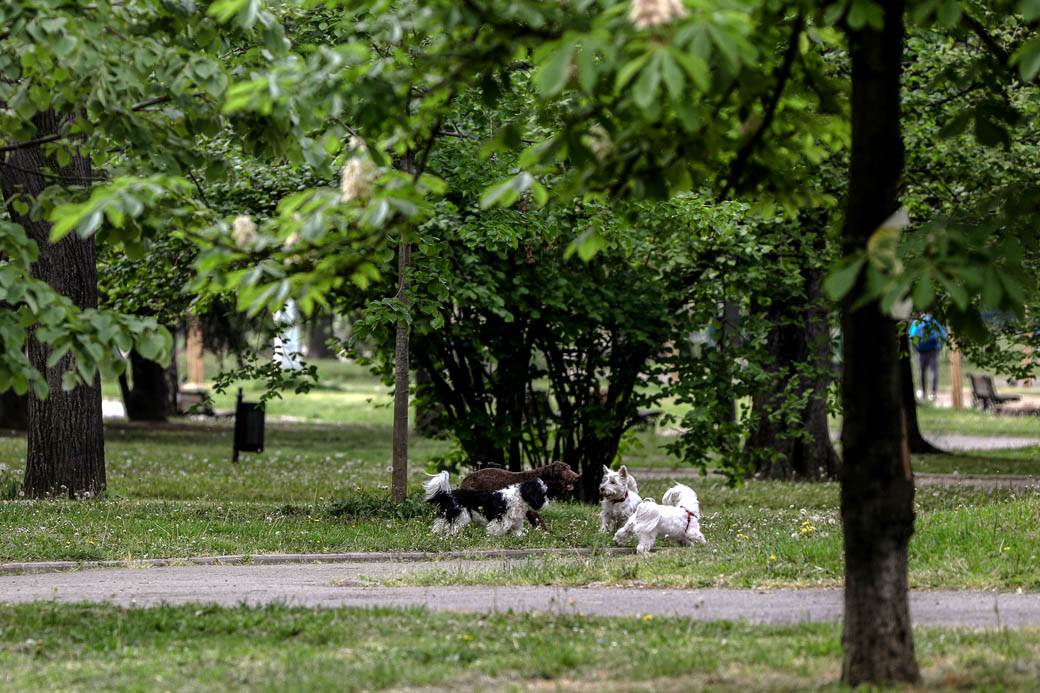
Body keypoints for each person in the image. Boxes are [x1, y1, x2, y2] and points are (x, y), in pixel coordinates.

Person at [909, 313, 948, 401]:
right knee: (933, 371)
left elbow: (912, 336)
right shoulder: (935, 322)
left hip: (921, 351)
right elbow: (943, 335)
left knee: (921, 372)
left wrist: (917, 346)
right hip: (933, 350)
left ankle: (923, 392)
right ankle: (933, 393)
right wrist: (939, 347)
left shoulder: (917, 322)